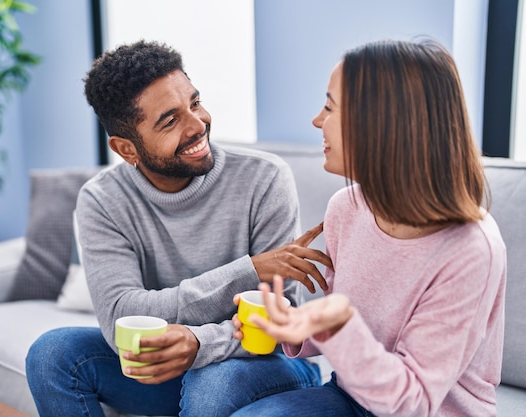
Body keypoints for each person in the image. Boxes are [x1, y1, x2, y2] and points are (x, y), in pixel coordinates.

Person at [25, 40, 333, 417]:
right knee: (53, 355)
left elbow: (279, 318)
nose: (197, 124)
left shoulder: (264, 178)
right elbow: (121, 315)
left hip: (269, 362)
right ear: (126, 149)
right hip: (172, 370)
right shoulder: (102, 201)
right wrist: (248, 270)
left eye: (195, 102)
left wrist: (199, 343)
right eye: (170, 120)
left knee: (212, 384)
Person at [231, 39, 507, 417]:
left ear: (380, 125)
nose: (316, 121)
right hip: (353, 398)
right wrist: (291, 324)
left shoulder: (471, 249)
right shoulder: (346, 208)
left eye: (329, 106)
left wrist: (338, 323)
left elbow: (413, 403)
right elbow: (344, 339)